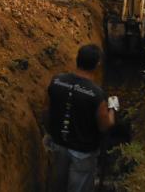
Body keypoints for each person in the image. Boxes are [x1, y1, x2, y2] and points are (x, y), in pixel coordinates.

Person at [44, 44, 118, 192]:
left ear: (77, 59)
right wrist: (113, 108)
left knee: (58, 186)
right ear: (98, 64)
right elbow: (105, 125)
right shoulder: (97, 94)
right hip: (83, 153)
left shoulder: (56, 81)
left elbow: (46, 111)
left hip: (57, 146)